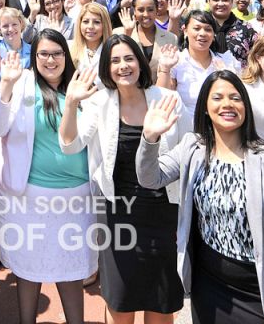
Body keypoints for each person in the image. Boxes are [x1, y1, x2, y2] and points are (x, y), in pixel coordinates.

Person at [136, 70, 264, 324]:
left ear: (246, 107)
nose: (227, 104)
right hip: (209, 285)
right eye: (217, 97)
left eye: (235, 98)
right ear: (205, 106)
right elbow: (150, 178)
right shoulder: (192, 147)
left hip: (257, 290)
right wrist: (150, 138)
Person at [59, 34, 184, 323]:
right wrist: (71, 104)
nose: (123, 66)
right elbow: (70, 145)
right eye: (115, 61)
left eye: (129, 58)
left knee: (162, 301)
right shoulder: (99, 102)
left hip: (162, 213)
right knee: (121, 301)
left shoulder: (168, 100)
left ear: (141, 63)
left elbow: (186, 150)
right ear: (107, 68)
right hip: (116, 214)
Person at [0, 30, 95, 324]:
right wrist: (5, 85)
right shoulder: (20, 83)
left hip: (76, 199)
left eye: (56, 53)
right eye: (43, 54)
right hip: (29, 197)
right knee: (27, 268)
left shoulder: (82, 85)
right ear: (34, 57)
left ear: (66, 56)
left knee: (70, 268)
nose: (50, 59)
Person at [157, 10, 238, 125]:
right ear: (185, 31)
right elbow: (162, 97)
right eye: (197, 28)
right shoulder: (175, 61)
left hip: (219, 128)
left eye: (208, 29)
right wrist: (165, 69)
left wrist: (227, 76)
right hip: (185, 129)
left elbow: (237, 99)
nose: (202, 33)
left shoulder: (226, 61)